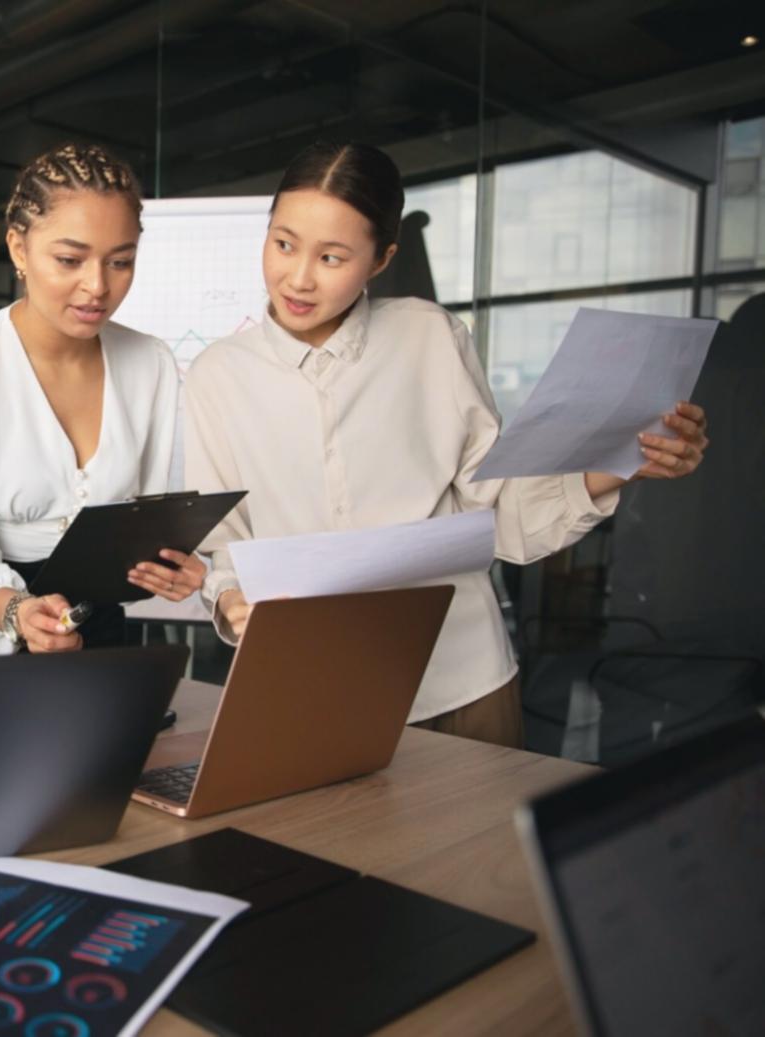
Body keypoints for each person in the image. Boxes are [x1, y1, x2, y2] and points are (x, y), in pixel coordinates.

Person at [186, 141, 709, 747]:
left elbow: (499, 515)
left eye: (332, 257)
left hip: (462, 680)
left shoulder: (429, 336)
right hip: (313, 687)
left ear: (381, 260)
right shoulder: (215, 375)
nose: (297, 277)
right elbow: (223, 545)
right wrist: (229, 601)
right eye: (283, 244)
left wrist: (625, 461)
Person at [0, 143, 206, 656]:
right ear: (19, 249)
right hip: (2, 635)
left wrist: (179, 567)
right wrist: (16, 612)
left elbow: (157, 517)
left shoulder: (150, 362)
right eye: (70, 259)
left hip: (110, 640)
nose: (97, 287)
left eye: (121, 261)